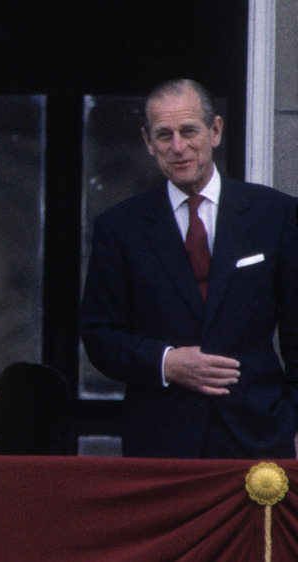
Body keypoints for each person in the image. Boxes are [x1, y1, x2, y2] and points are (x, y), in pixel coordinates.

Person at [80, 79, 298, 459]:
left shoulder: (274, 214)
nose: (178, 147)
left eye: (189, 131)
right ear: (148, 142)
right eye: (164, 135)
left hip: (260, 434)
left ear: (214, 131)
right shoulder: (120, 228)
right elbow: (99, 335)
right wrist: (167, 362)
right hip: (161, 442)